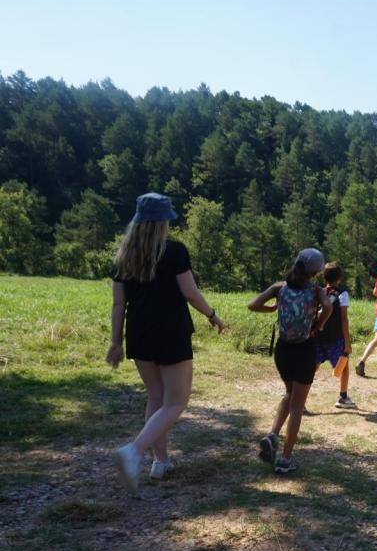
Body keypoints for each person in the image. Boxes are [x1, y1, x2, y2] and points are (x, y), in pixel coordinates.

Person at [107, 192, 225, 491]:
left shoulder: (123, 257)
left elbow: (118, 304)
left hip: (138, 332)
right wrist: (212, 315)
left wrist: (115, 342)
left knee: (157, 398)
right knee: (176, 401)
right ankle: (134, 451)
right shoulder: (174, 252)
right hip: (171, 331)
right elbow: (190, 292)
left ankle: (160, 462)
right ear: (162, 222)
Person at [248, 248, 332, 475]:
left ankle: (273, 435)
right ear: (315, 272)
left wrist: (273, 308)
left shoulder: (279, 287)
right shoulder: (316, 291)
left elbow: (252, 305)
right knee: (297, 406)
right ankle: (285, 458)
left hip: (282, 350)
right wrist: (320, 325)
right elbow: (330, 307)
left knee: (290, 394)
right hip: (305, 350)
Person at [315, 262, 355, 409]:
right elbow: (344, 319)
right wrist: (347, 342)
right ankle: (343, 397)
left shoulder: (319, 292)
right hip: (336, 338)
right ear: (339, 278)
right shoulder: (342, 293)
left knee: (313, 366)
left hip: (318, 335)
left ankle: (300, 398)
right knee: (343, 366)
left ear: (324, 277)